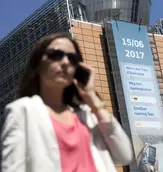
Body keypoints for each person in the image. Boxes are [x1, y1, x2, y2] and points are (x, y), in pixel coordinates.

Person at [1, 33, 133, 172]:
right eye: (55, 55)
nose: (65, 62)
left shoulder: (86, 114)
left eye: (73, 58)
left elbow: (124, 155)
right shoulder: (23, 111)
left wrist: (93, 99)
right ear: (38, 63)